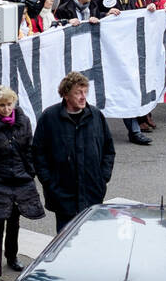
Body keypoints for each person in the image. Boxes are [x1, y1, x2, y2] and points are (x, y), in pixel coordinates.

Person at [32, 71, 115, 232]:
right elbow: (38, 153)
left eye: (85, 92)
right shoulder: (49, 118)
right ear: (65, 95)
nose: (83, 97)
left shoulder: (96, 116)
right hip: (62, 195)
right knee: (65, 242)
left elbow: (108, 149)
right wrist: (49, 182)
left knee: (92, 240)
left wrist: (103, 177)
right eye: (78, 92)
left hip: (92, 192)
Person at [0, 87, 45, 281]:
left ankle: (11, 256)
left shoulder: (23, 121)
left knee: (14, 221)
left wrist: (30, 172)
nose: (6, 108)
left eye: (9, 104)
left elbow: (29, 148)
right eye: (2, 105)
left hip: (20, 177)